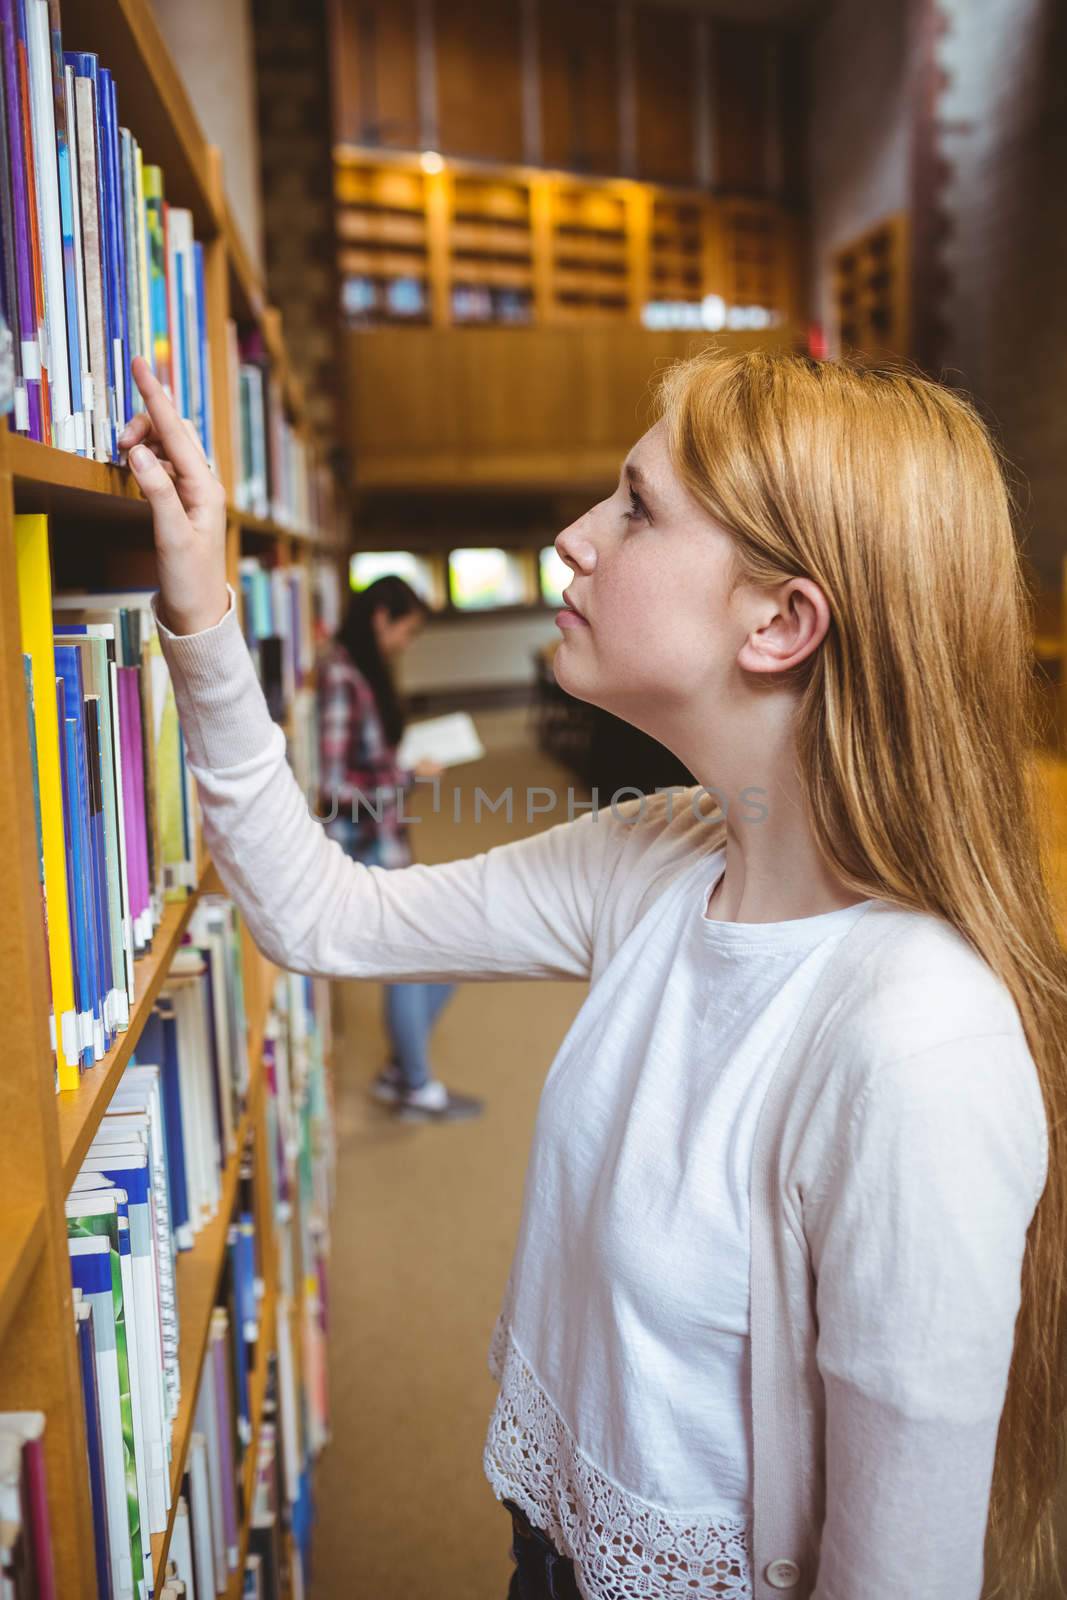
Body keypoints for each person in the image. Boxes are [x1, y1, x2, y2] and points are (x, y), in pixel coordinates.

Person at [123, 345, 1067, 1600]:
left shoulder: (916, 1045)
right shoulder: (656, 853)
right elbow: (321, 914)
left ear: (778, 623)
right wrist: (197, 611)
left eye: (634, 507)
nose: (573, 537)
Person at [317, 572, 485, 1122]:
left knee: (446, 952)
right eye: (405, 633)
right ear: (379, 619)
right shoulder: (341, 677)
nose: (404, 645)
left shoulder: (363, 672)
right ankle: (416, 1087)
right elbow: (334, 788)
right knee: (416, 958)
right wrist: (407, 776)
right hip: (361, 853)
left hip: (385, 843)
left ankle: (401, 1074)